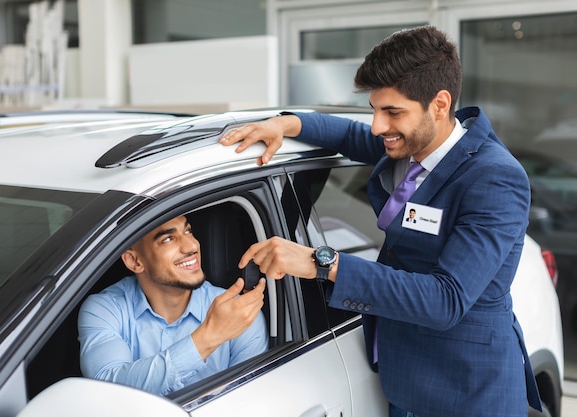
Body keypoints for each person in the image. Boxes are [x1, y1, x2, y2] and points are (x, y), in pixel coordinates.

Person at [220, 26, 541, 417]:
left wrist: (323, 262)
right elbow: (349, 134)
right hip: (404, 379)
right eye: (375, 108)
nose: (377, 126)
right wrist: (285, 124)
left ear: (440, 105)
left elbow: (447, 300)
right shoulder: (411, 141)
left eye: (392, 112)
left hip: (467, 391)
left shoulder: (493, 177)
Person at [78, 214, 268, 396]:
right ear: (135, 261)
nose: (192, 245)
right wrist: (209, 336)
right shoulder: (104, 308)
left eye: (188, 231)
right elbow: (108, 391)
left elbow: (246, 402)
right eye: (168, 239)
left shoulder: (240, 314)